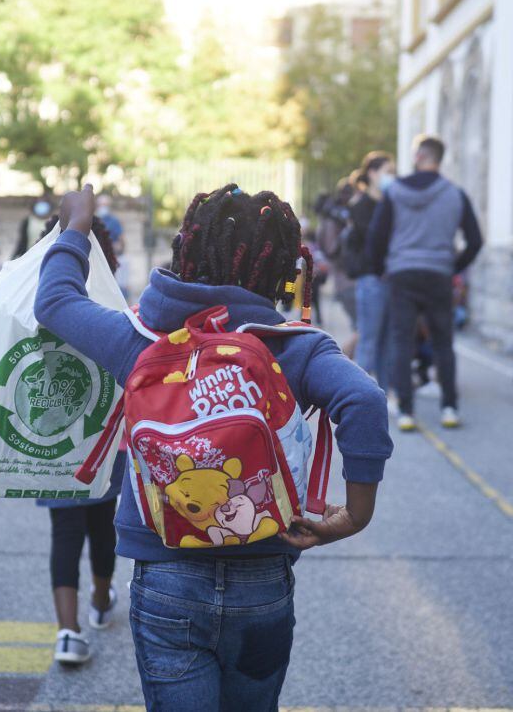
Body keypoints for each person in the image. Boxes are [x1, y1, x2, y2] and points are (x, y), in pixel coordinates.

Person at [35, 183, 391, 711]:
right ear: (281, 272)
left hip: (166, 575)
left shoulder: (141, 340)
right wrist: (354, 516)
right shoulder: (294, 348)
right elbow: (364, 399)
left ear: (187, 252)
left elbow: (56, 302)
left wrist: (76, 228)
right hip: (264, 576)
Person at [36, 214, 126, 666]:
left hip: (52, 440)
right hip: (106, 442)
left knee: (65, 531)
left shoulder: (42, 299)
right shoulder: (112, 305)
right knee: (102, 522)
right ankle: (101, 598)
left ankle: (67, 632)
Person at [368, 135, 482, 432]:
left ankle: (406, 411)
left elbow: (376, 238)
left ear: (418, 156)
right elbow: (475, 240)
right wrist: (453, 267)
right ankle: (449, 408)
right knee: (444, 342)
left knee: (402, 341)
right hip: (439, 275)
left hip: (402, 274)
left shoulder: (394, 193)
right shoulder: (456, 194)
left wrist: (383, 269)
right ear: (439, 159)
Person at [348, 152, 396, 394]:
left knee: (387, 343)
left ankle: (386, 395)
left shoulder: (390, 204)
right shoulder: (361, 206)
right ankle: (360, 396)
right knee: (368, 341)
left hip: (389, 279)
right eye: (388, 171)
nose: (392, 177)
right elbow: (370, 241)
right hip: (371, 279)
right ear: (373, 174)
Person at [314, 180, 358, 356]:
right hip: (348, 280)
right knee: (363, 329)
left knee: (361, 328)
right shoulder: (336, 219)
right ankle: (344, 358)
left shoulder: (332, 217)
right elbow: (332, 249)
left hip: (346, 280)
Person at [95, 194, 129, 297]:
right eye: (101, 205)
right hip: (96, 258)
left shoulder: (114, 221)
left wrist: (113, 247)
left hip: (113, 257)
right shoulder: (92, 220)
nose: (103, 207)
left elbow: (121, 242)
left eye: (106, 205)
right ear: (97, 206)